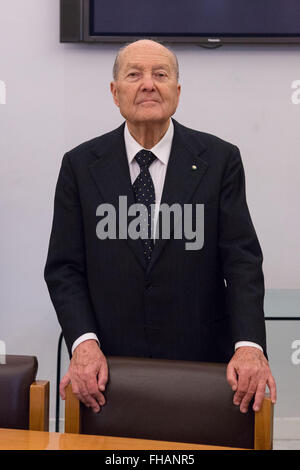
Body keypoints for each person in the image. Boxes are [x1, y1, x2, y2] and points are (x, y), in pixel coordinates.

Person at [44, 39, 276, 415]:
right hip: (109, 373)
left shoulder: (220, 160)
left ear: (177, 92)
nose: (148, 84)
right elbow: (64, 268)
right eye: (134, 74)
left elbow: (242, 261)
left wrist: (249, 344)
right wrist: (84, 344)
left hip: (204, 370)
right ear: (115, 92)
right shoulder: (80, 165)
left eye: (160, 74)